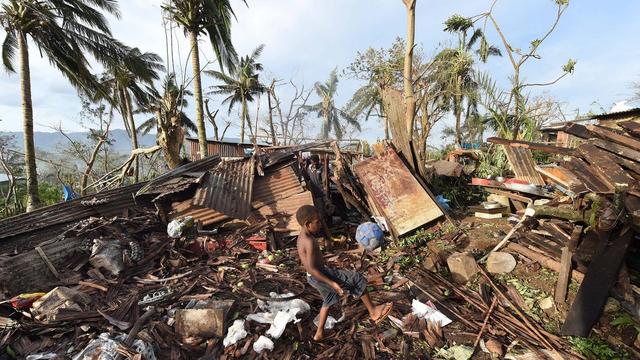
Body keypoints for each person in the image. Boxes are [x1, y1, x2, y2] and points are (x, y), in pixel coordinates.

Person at [296, 205, 393, 341]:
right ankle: (373, 312)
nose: (320, 224)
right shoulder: (309, 241)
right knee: (357, 279)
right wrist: (332, 283)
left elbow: (310, 267)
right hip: (319, 275)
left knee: (328, 300)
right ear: (307, 224)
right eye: (317, 222)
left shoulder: (301, 238)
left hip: (314, 276)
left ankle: (319, 334)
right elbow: (312, 268)